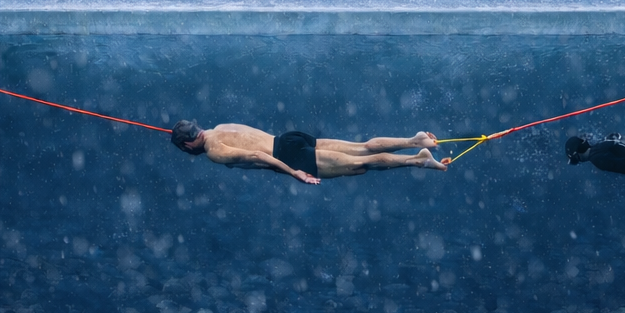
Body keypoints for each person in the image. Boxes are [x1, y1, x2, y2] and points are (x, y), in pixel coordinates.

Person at [170, 122, 448, 184]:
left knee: (362, 164)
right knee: (362, 147)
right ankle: (414, 140)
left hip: (289, 157)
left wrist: (295, 173)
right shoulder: (219, 128)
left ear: (187, 145)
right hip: (288, 138)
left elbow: (257, 157)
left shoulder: (214, 150)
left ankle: (418, 159)